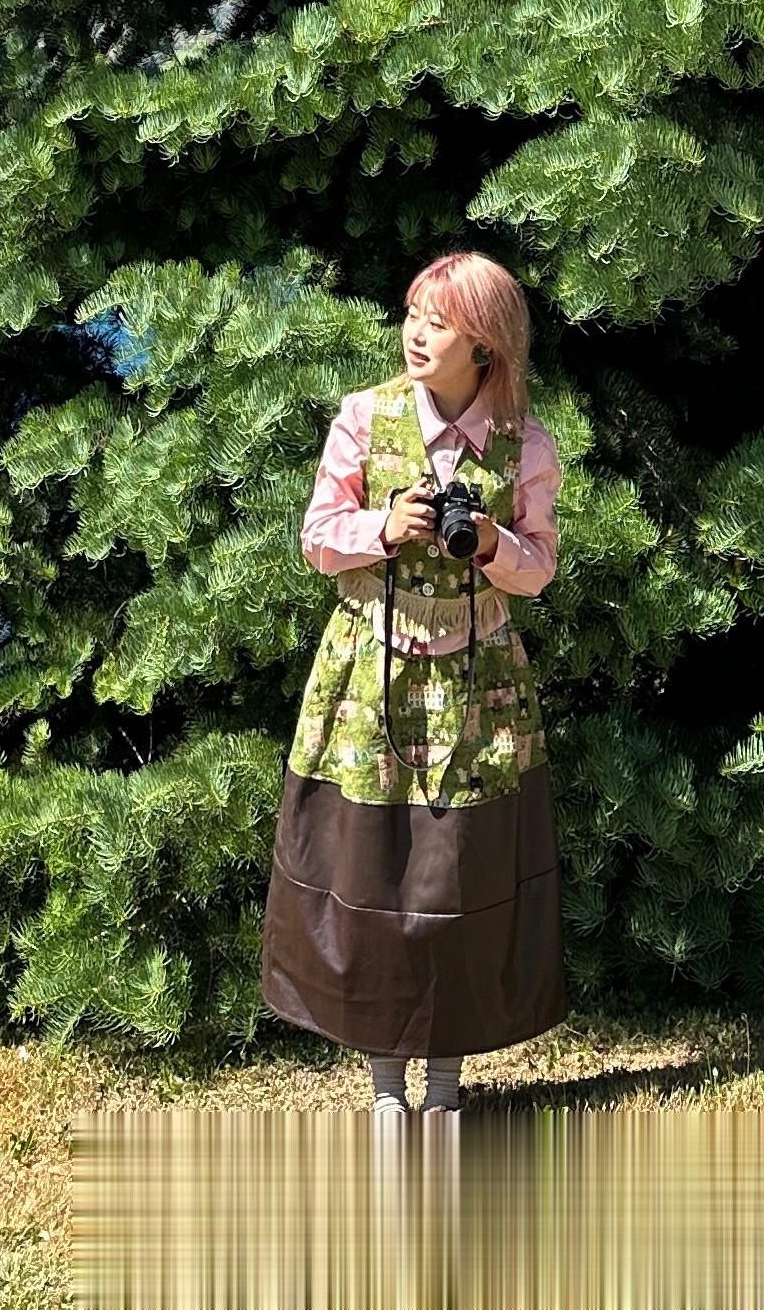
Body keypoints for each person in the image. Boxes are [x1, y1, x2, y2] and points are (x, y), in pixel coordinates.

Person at [260, 250, 567, 1120]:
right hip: (370, 674)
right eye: (413, 316)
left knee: (460, 874)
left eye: (440, 323)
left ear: (486, 345)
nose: (416, 334)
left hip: (480, 682)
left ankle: (444, 1087)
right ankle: (387, 1087)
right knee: (374, 869)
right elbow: (318, 541)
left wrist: (491, 545)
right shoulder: (365, 418)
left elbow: (539, 570)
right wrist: (384, 528)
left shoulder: (525, 443)